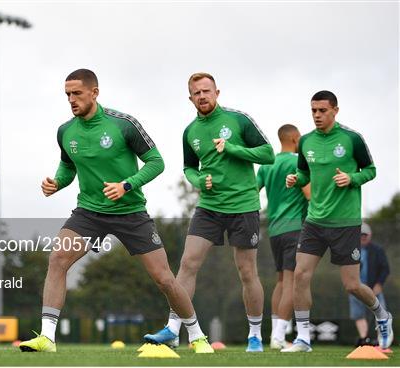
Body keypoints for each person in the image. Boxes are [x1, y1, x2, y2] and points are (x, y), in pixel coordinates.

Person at [19, 69, 213, 353]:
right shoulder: (65, 131)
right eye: (67, 95)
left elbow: (156, 162)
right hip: (89, 213)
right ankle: (47, 338)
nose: (71, 100)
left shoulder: (123, 125)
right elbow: (68, 166)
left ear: (94, 92)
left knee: (164, 279)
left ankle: (197, 337)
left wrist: (126, 185)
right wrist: (56, 183)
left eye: (77, 94)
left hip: (131, 212)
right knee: (58, 258)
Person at [144, 72, 275, 352]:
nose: (202, 96)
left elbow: (268, 154)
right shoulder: (190, 132)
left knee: (247, 271)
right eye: (196, 93)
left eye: (206, 91)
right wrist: (197, 180)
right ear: (190, 98)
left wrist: (233, 149)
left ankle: (255, 336)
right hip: (209, 207)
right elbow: (189, 168)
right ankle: (173, 329)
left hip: (243, 206)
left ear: (217, 93)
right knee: (188, 264)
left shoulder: (239, 120)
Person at [283, 90, 394, 352]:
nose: (317, 115)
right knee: (300, 275)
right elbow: (303, 173)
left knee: (352, 286)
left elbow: (371, 171)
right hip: (314, 221)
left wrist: (352, 178)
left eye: (322, 110)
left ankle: (382, 315)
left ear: (335, 110)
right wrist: (295, 180)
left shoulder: (352, 139)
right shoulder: (306, 141)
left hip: (345, 223)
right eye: (313, 110)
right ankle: (303, 339)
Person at [256, 124, 310, 349]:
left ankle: (274, 336)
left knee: (281, 281)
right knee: (291, 282)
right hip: (294, 228)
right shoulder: (298, 163)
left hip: (274, 230)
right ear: (295, 139)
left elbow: (252, 191)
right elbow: (310, 196)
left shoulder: (267, 164)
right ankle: (278, 337)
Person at [350, 222, 390, 346]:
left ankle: (382, 340)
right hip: (356, 287)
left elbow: (385, 268)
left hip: (374, 288)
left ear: (370, 235)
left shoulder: (378, 250)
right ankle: (365, 339)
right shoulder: (352, 249)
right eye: (361, 235)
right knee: (358, 313)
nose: (363, 237)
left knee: (381, 312)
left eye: (365, 235)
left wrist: (379, 284)